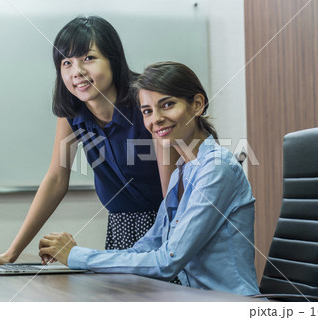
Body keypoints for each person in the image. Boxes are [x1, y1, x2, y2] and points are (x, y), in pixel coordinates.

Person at [0, 16, 178, 269]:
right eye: (66, 62)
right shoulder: (73, 113)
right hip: (121, 224)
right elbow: (57, 179)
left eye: (88, 58)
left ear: (113, 59)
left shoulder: (146, 104)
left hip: (169, 223)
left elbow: (173, 198)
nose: (76, 72)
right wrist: (11, 253)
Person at [38, 62, 260, 295]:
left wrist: (76, 256)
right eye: (147, 111)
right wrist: (74, 254)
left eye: (167, 105)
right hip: (196, 301)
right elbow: (145, 248)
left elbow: (166, 262)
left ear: (197, 104)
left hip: (231, 305)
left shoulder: (217, 169)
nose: (156, 119)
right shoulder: (181, 172)